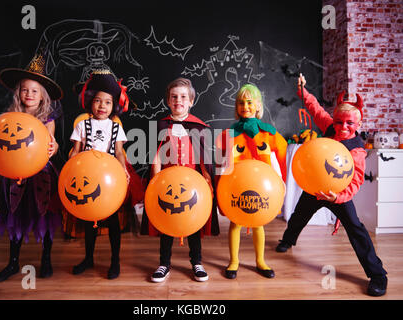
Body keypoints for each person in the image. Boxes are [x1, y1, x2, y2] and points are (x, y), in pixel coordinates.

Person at [275, 73, 388, 296]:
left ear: (359, 123)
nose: (343, 126)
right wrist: (302, 90)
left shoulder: (357, 149)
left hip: (338, 195)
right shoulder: (329, 127)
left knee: (356, 230)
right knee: (299, 215)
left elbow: (355, 182)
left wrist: (337, 198)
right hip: (316, 188)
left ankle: (378, 275)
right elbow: (315, 108)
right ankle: (288, 240)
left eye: (349, 123)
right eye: (339, 121)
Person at [141, 77, 219, 282]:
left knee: (194, 224)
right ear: (168, 101)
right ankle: (164, 264)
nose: (179, 101)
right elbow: (156, 157)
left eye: (183, 97)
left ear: (191, 101)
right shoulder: (161, 126)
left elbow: (204, 159)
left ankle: (197, 263)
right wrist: (155, 181)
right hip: (167, 184)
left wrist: (208, 182)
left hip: (193, 186)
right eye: (174, 97)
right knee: (167, 222)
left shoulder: (199, 127)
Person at [0, 52, 64, 282]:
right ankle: (13, 262)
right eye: (25, 90)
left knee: (44, 216)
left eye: (34, 91)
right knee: (15, 216)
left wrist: (53, 147)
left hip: (41, 174)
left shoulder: (49, 117)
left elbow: (50, 145)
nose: (29, 94)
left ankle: (46, 259)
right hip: (15, 175)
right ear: (19, 92)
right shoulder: (11, 116)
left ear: (42, 96)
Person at [215, 84, 287, 279]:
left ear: (258, 106)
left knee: (258, 224)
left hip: (261, 188)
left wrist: (279, 181)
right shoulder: (229, 134)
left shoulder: (268, 134)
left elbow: (279, 154)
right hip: (237, 187)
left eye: (249, 102)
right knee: (235, 224)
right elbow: (222, 159)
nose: (244, 106)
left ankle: (260, 261)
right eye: (240, 102)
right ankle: (234, 261)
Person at [69, 69, 129, 279]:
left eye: (107, 102)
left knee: (112, 222)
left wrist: (122, 169)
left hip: (109, 181)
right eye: (97, 101)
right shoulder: (81, 125)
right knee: (89, 222)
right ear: (89, 102)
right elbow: (75, 152)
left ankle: (115, 261)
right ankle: (88, 258)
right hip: (87, 179)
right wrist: (70, 172)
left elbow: (120, 151)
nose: (102, 106)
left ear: (114, 106)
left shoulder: (115, 127)